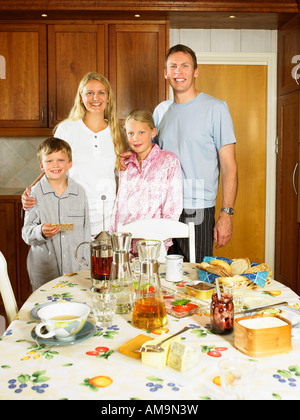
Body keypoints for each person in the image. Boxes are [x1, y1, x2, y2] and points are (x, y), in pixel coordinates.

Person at [121, 44, 238, 263]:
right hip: (160, 207)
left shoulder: (216, 109)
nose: (178, 71)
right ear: (165, 73)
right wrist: (130, 155)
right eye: (173, 66)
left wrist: (226, 214)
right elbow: (150, 154)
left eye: (185, 66)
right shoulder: (160, 111)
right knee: (162, 277)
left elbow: (230, 166)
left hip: (197, 207)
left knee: (195, 276)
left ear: (196, 71)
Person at [22, 72, 127, 237]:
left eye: (101, 92)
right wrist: (30, 191)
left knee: (102, 262)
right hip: (72, 214)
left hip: (107, 217)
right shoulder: (67, 129)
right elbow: (53, 166)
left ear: (108, 98)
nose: (95, 98)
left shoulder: (118, 133)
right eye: (89, 93)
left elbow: (123, 174)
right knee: (73, 260)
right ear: (81, 97)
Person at [22, 137, 91, 291]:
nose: (55, 165)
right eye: (49, 161)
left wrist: (87, 264)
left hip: (76, 268)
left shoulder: (79, 192)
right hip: (45, 270)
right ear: (41, 165)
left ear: (69, 164)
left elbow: (86, 231)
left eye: (60, 160)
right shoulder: (34, 194)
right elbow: (26, 234)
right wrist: (40, 232)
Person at [110, 109, 183, 254]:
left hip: (154, 241)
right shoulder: (125, 165)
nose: (135, 139)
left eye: (141, 132)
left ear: (153, 132)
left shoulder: (169, 161)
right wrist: (115, 235)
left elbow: (173, 205)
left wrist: (163, 237)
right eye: (131, 133)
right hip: (125, 242)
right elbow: (119, 204)